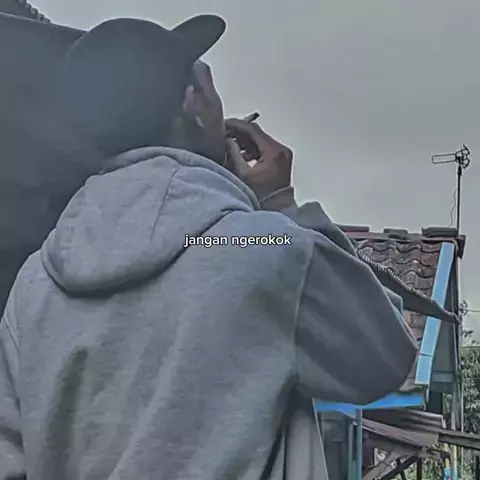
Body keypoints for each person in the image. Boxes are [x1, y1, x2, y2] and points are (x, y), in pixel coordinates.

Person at [0, 15, 417, 480]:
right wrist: (281, 206)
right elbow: (387, 358)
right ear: (194, 102)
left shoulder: (33, 287)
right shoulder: (259, 248)